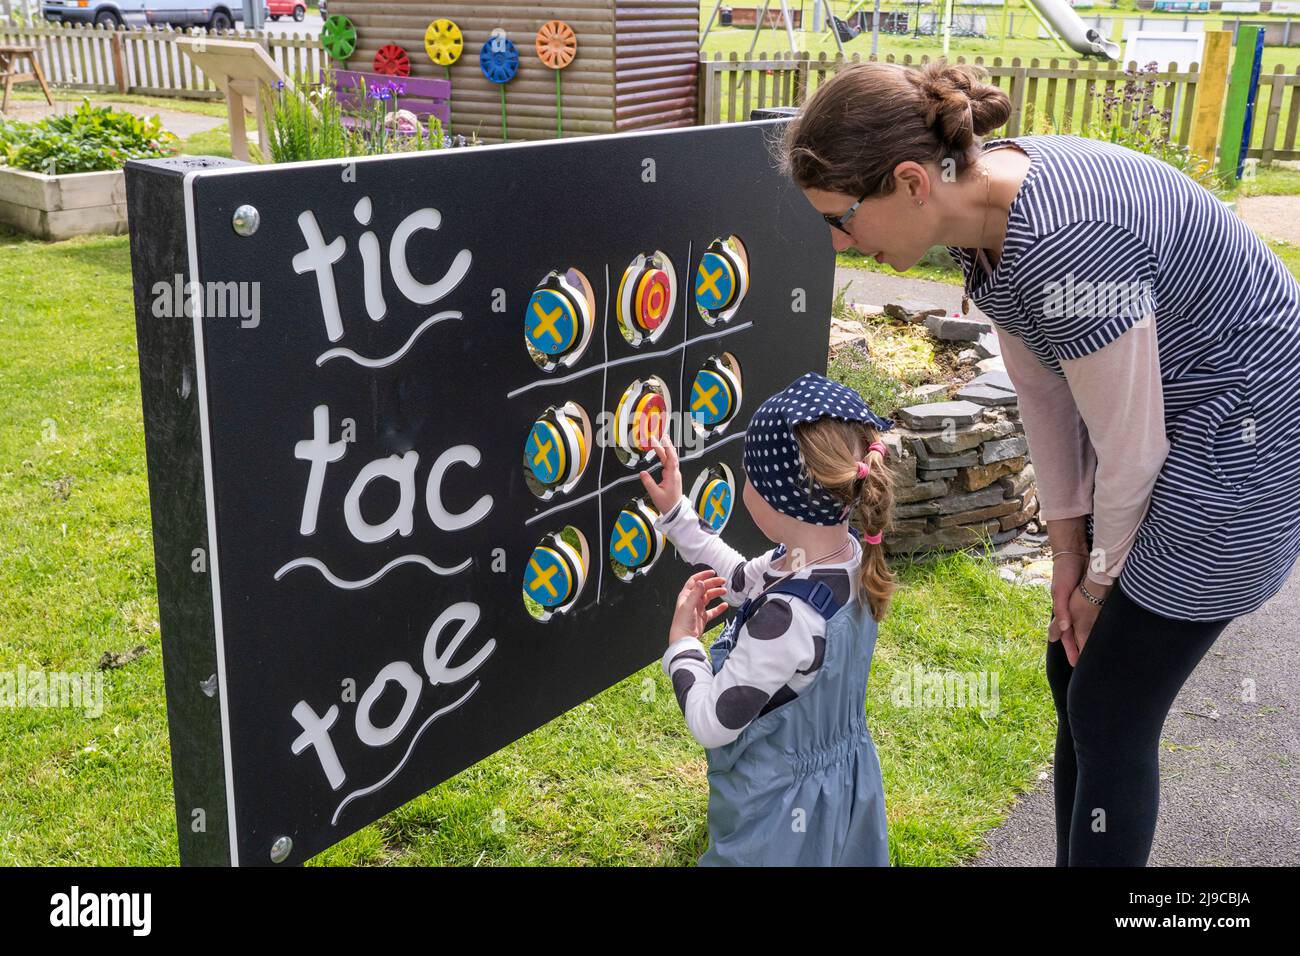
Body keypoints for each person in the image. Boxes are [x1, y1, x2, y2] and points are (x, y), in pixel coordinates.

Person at [778, 59, 1300, 865]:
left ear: (913, 181)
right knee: (1075, 678)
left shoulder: (1065, 243)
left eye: (840, 218)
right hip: (1170, 426)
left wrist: (1098, 576)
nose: (840, 242)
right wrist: (1066, 553)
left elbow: (1133, 449)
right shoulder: (985, 219)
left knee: (1110, 710)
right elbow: (1046, 398)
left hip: (1244, 446)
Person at [639, 372, 898, 865]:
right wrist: (678, 515)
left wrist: (683, 648)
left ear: (778, 499)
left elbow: (713, 722)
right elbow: (742, 580)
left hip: (777, 807)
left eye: (749, 476)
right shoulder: (840, 557)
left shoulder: (786, 618)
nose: (744, 485)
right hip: (840, 783)